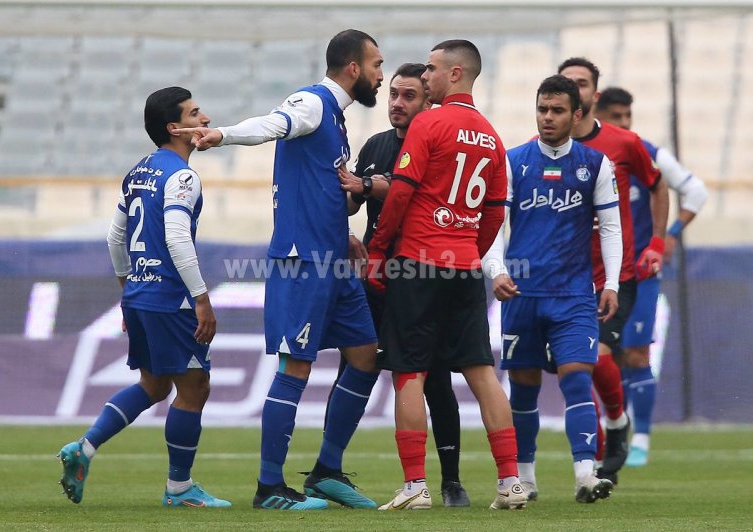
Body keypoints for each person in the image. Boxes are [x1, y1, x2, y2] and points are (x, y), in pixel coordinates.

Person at [175, 29, 384, 511]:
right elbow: (273, 124)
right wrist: (221, 134)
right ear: (353, 67)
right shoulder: (312, 103)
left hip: (333, 257)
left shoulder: (336, 117)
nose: (379, 73)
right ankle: (269, 487)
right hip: (302, 260)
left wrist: (343, 229)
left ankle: (327, 472)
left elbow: (314, 184)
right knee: (297, 364)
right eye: (376, 64)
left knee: (366, 354)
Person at [367, 39, 527, 511]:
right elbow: (496, 213)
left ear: (455, 74)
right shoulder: (492, 137)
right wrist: (469, 252)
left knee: (409, 374)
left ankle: (415, 487)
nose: (428, 76)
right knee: (482, 372)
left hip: (416, 263)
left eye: (434, 69)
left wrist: (379, 252)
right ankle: (510, 482)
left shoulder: (429, 123)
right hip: (463, 268)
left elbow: (399, 195)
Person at [58, 87, 230, 508]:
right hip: (171, 299)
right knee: (195, 387)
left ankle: (85, 448)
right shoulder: (183, 176)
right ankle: (180, 488)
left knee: (154, 385)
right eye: (194, 113)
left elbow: (115, 235)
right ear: (175, 128)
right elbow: (174, 235)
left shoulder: (138, 171)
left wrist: (127, 288)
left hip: (139, 294)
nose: (204, 118)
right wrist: (202, 299)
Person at [334, 62, 470, 507]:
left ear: (428, 101)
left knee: (434, 382)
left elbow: (402, 190)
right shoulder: (376, 143)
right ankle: (328, 468)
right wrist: (347, 206)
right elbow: (354, 202)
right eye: (393, 93)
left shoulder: (434, 142)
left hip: (420, 276)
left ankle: (450, 481)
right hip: (376, 278)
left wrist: (367, 184)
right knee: (354, 370)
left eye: (409, 95)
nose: (397, 103)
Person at [483, 74, 621, 503]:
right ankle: (526, 477)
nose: (548, 117)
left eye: (557, 110)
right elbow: (493, 226)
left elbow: (611, 227)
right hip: (521, 295)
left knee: (577, 378)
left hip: (574, 295)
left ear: (577, 115)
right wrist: (496, 271)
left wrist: (611, 282)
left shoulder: (595, 164)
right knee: (523, 386)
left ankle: (585, 472)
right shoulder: (513, 161)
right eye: (542, 109)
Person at [558, 57, 669, 483]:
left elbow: (659, 186)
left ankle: (617, 424)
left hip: (613, 274)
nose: (574, 89)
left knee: (596, 357)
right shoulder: (541, 146)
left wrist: (657, 241)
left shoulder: (624, 143)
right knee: (573, 369)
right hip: (563, 276)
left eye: (581, 83)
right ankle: (606, 451)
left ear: (593, 95)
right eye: (566, 83)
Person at [596, 86, 708, 467]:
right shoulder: (584, 153)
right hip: (594, 273)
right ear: (597, 112)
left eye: (628, 116)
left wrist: (669, 236)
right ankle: (612, 429)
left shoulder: (643, 150)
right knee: (605, 355)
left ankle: (640, 438)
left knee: (637, 352)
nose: (624, 124)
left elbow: (695, 191)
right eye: (616, 116)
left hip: (639, 271)